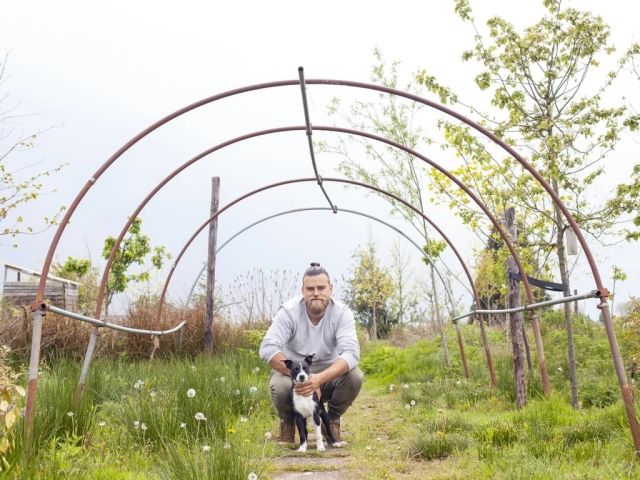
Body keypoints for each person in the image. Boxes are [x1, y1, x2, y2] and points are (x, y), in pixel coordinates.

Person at [259, 262, 363, 444]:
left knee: (355, 377)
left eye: (321, 288)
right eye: (310, 288)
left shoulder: (342, 313)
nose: (316, 293)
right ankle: (288, 423)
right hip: (294, 373)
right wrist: (303, 377)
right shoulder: (289, 312)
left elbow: (352, 353)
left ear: (330, 289)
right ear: (303, 290)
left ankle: (330, 421)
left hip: (329, 374)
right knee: (280, 385)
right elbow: (267, 348)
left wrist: (319, 379)